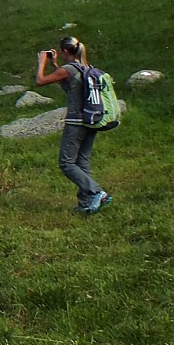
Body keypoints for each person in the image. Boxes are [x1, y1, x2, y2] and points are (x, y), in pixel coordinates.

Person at [36, 36, 112, 214]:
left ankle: (96, 192)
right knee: (82, 161)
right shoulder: (86, 68)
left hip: (76, 122)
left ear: (64, 51)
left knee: (66, 163)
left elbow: (40, 81)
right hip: (91, 119)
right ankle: (86, 203)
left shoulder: (69, 69)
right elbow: (69, 87)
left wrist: (41, 63)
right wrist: (55, 65)